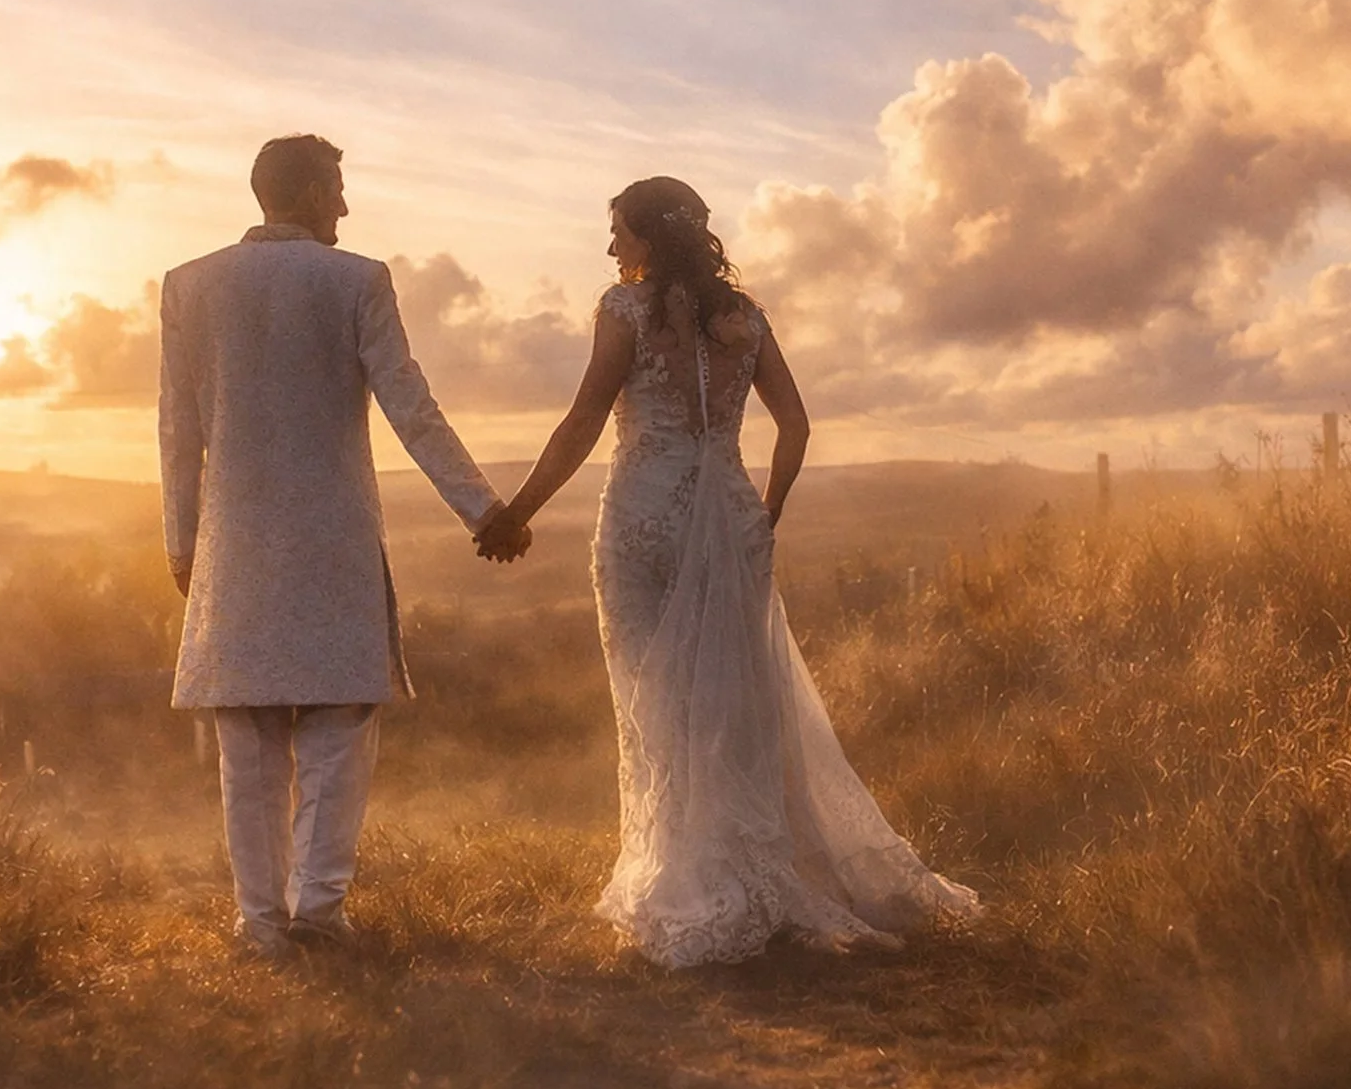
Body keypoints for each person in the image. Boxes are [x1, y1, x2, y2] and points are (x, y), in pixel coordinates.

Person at [477, 176, 978, 966]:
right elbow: (796, 426)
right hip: (731, 516)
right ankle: (752, 867)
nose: (611, 249)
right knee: (733, 703)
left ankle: (686, 876)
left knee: (654, 697)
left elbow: (581, 424)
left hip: (645, 519)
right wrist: (763, 511)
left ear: (650, 236)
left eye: (619, 231)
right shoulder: (745, 320)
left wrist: (519, 509)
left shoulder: (624, 310)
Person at [160, 134, 529, 959]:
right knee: (337, 725)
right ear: (304, 190)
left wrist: (182, 541)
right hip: (332, 535)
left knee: (248, 738)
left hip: (235, 540)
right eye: (336, 187)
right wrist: (482, 509)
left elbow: (176, 428)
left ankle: (262, 925)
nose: (346, 206)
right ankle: (317, 913)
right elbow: (410, 405)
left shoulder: (190, 285)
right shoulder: (358, 279)